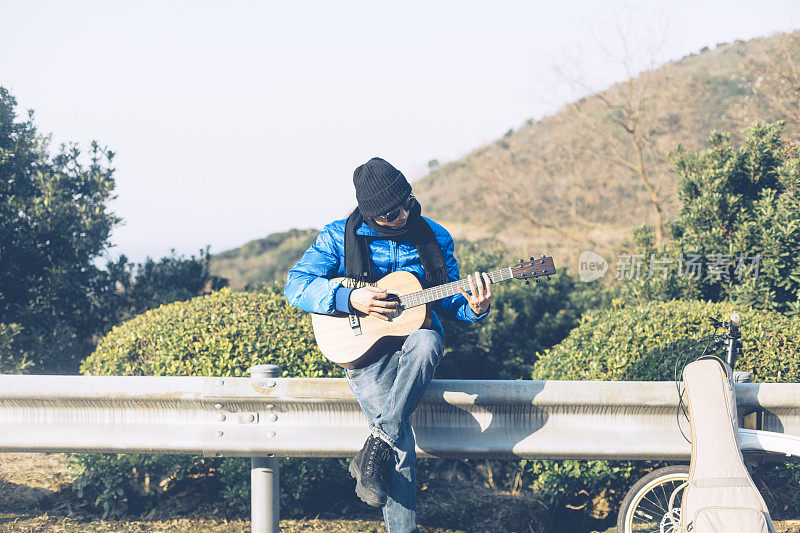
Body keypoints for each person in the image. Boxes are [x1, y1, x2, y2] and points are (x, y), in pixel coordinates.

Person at [284, 157, 492, 533]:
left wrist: (475, 307)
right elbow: (296, 285)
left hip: (414, 344)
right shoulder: (338, 236)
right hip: (362, 349)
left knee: (429, 338)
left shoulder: (435, 237)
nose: (401, 217)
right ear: (369, 214)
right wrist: (349, 300)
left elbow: (447, 303)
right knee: (401, 449)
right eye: (389, 215)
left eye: (406, 206)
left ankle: (377, 438)